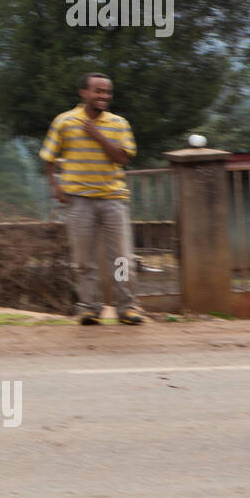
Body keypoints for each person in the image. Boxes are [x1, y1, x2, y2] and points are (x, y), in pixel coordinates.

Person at [39, 72, 144, 325]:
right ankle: (88, 308)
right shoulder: (64, 122)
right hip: (79, 200)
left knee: (121, 258)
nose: (104, 96)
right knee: (83, 260)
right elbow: (48, 157)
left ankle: (127, 308)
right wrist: (55, 186)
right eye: (98, 91)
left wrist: (98, 135)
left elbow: (123, 158)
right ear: (83, 93)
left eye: (107, 92)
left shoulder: (118, 123)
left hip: (113, 199)